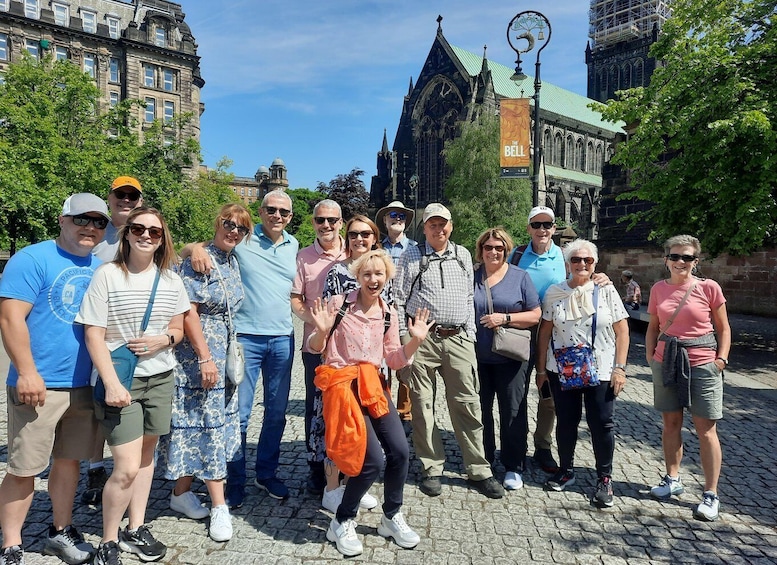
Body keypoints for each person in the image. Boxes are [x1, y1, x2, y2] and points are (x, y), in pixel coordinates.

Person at [0, 193, 109, 565]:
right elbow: (10, 319)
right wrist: (27, 372)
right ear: (63, 220)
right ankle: (11, 544)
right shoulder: (32, 258)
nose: (90, 228)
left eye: (99, 222)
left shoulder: (99, 267)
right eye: (82, 219)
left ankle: (59, 531)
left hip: (83, 383)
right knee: (24, 467)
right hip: (38, 384)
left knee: (69, 462)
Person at [78, 207, 190, 565]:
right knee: (125, 466)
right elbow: (93, 333)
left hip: (160, 377)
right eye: (138, 229)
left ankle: (136, 527)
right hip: (121, 381)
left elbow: (179, 328)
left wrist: (163, 340)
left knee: (146, 461)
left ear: (162, 239)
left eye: (154, 232)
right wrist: (110, 382)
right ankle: (109, 539)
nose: (146, 235)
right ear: (126, 234)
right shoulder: (107, 275)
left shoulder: (171, 280)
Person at [308, 250, 434, 557]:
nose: (373, 279)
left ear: (386, 277)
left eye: (379, 274)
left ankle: (391, 515)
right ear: (358, 276)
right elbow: (316, 348)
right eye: (367, 274)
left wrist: (414, 340)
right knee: (371, 461)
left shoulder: (388, 313)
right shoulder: (338, 306)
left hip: (373, 386)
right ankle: (342, 520)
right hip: (342, 387)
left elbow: (391, 357)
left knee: (401, 452)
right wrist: (322, 332)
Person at [183, 190, 299, 506]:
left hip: (282, 337)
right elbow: (197, 247)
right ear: (261, 211)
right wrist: (193, 248)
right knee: (240, 414)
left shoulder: (294, 246)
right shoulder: (244, 237)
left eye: (284, 213)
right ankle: (235, 481)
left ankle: (267, 474)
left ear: (290, 217)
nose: (277, 216)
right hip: (244, 339)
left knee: (276, 414)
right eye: (271, 210)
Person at [394, 203, 504, 499]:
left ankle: (478, 468)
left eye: (443, 224)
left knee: (467, 404)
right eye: (432, 224)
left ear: (451, 226)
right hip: (423, 338)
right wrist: (406, 337)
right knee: (422, 405)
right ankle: (431, 467)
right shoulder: (411, 255)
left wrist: (469, 334)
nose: (438, 229)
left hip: (458, 339)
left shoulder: (463, 254)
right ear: (424, 227)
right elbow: (399, 296)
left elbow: (469, 295)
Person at [157, 205, 252, 542]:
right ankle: (219, 505)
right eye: (229, 224)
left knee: (205, 424)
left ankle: (181, 494)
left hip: (222, 354)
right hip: (199, 356)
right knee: (208, 427)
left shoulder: (233, 260)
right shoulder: (201, 260)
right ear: (217, 223)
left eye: (241, 228)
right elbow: (188, 314)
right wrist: (204, 358)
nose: (234, 232)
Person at [510, 206, 610, 474]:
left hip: (556, 334)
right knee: (517, 393)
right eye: (536, 224)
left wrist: (600, 277)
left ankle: (542, 446)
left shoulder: (566, 256)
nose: (542, 229)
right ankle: (515, 447)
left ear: (554, 228)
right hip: (521, 331)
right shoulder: (517, 254)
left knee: (549, 395)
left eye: (547, 224)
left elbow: (581, 277)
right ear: (529, 227)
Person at [535, 239, 629, 507]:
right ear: (567, 264)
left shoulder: (606, 290)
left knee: (602, 423)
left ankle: (605, 478)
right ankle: (566, 470)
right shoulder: (555, 293)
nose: (582, 264)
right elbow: (544, 332)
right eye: (576, 260)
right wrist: (541, 369)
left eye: (587, 260)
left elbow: (622, 331)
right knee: (566, 421)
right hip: (562, 369)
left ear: (595, 264)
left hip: (600, 369)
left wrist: (620, 368)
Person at [646, 235, 730, 522]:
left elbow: (724, 328)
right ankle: (672, 479)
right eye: (675, 256)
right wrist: (650, 357)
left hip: (703, 364)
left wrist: (721, 359)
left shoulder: (709, 288)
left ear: (696, 261)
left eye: (687, 257)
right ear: (665, 259)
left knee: (705, 429)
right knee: (670, 423)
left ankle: (710, 493)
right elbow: (653, 326)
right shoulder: (658, 288)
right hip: (666, 360)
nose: (680, 262)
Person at [316, 215, 385, 513]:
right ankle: (333, 488)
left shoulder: (382, 269)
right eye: (354, 234)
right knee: (338, 426)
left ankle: (354, 484)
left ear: (374, 237)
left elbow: (387, 316)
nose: (360, 239)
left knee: (363, 429)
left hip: (372, 367)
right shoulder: (337, 272)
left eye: (366, 234)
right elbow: (329, 322)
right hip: (341, 368)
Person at [84, 176, 145, 507]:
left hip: (136, 336)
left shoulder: (146, 231)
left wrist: (193, 248)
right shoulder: (96, 233)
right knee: (98, 406)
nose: (125, 200)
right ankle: (95, 467)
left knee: (130, 403)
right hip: (100, 332)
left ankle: (129, 467)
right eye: (120, 195)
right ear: (110, 198)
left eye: (131, 196)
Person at [473, 227, 541, 491]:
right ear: (481, 249)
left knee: (512, 412)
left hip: (512, 358)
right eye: (488, 247)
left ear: (507, 250)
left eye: (499, 248)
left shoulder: (519, 277)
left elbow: (535, 314)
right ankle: (485, 459)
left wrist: (506, 318)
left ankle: (513, 465)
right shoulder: (472, 276)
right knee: (480, 411)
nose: (493, 252)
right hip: (477, 356)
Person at [290, 199, 346, 494]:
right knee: (315, 408)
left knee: (345, 408)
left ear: (341, 222)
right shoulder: (303, 256)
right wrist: (311, 319)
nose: (326, 225)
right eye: (320, 220)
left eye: (332, 220)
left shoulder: (354, 252)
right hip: (315, 345)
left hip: (348, 349)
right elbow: (296, 297)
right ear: (313, 222)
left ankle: (344, 465)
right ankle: (316, 466)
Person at [375, 201, 416, 431]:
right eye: (392, 214)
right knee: (379, 363)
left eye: (401, 215)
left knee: (405, 363)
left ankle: (405, 412)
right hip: (378, 310)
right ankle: (382, 405)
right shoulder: (376, 248)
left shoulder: (414, 248)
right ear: (385, 220)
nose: (397, 218)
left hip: (404, 312)